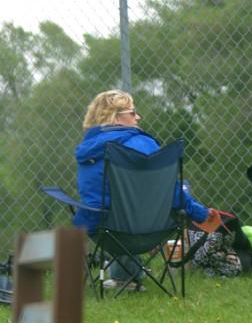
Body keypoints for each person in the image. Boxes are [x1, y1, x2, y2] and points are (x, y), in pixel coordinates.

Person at [75, 89, 212, 291]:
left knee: (112, 208)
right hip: (154, 228)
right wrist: (200, 213)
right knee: (174, 192)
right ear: (116, 117)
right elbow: (169, 194)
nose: (138, 117)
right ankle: (127, 277)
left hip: (103, 230)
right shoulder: (144, 144)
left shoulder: (87, 148)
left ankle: (124, 277)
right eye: (132, 112)